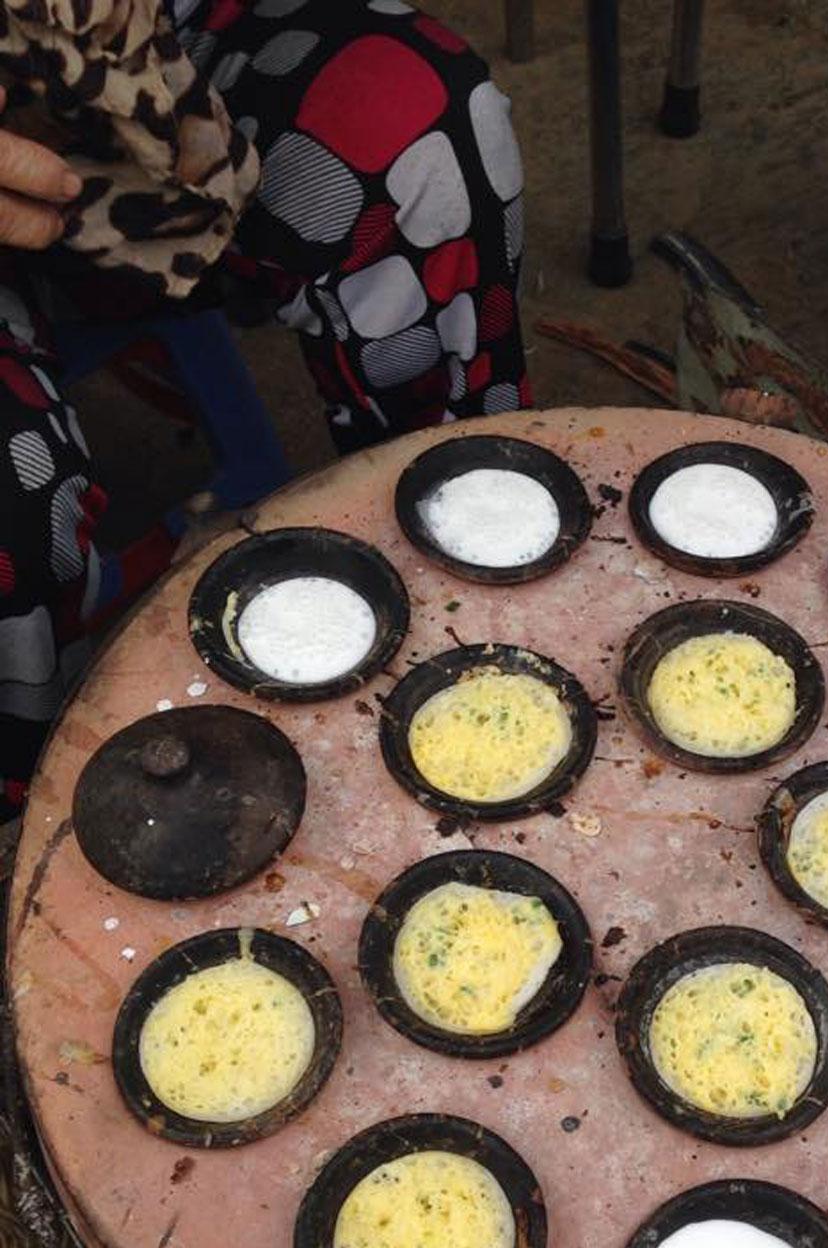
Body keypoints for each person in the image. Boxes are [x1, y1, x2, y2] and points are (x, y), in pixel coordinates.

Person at [0, 0, 529, 820]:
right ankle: (36, 828)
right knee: (10, 511)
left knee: (426, 132)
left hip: (123, 74)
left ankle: (469, 593)